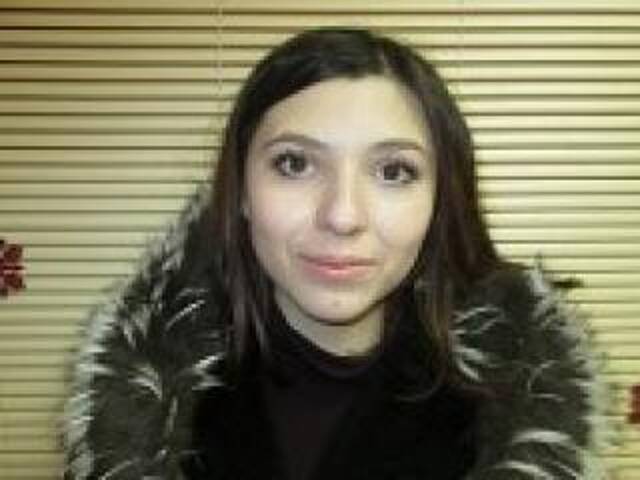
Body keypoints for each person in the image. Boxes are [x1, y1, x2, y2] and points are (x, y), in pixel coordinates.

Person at [63, 28, 607, 479]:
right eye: (295, 164)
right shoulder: (137, 420)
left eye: (394, 171)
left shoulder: (514, 419)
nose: (343, 216)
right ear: (241, 192)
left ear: (438, 202)